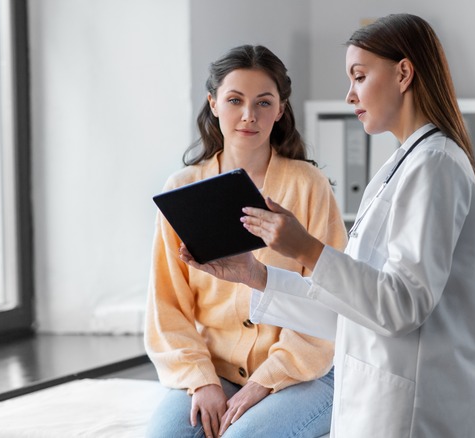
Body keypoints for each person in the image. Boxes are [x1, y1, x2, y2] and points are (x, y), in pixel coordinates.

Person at [180, 14, 475, 437]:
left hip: (416, 412)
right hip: (378, 400)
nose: (349, 95)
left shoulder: (435, 165)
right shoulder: (400, 168)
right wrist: (257, 276)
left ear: (403, 73)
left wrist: (305, 248)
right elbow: (352, 310)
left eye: (359, 76)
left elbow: (402, 306)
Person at [145, 44, 347, 438]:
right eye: (235, 100)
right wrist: (202, 381)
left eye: (264, 102)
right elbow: (166, 306)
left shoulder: (309, 186)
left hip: (306, 370)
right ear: (213, 103)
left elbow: (331, 297)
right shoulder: (182, 189)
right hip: (214, 369)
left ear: (281, 110)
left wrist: (262, 383)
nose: (249, 116)